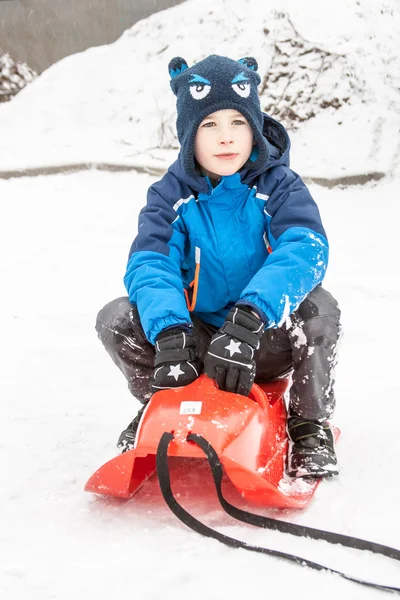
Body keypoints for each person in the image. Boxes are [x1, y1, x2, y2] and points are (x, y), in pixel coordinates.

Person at [95, 54, 342, 478]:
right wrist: (170, 332)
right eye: (210, 125)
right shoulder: (169, 195)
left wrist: (251, 317)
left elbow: (306, 248)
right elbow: (150, 263)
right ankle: (160, 401)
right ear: (189, 134)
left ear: (254, 128)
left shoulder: (280, 187)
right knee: (116, 319)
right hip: (195, 343)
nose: (225, 138)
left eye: (238, 123)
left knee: (319, 309)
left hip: (261, 338)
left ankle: (307, 422)